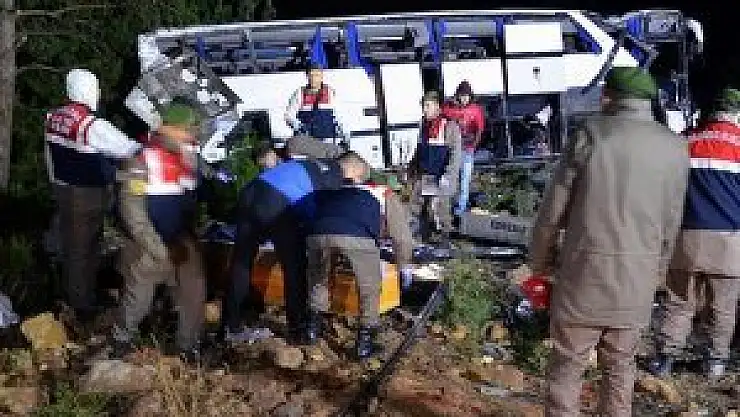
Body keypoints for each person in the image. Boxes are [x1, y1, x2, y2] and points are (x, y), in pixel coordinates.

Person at [528, 66, 689, 417]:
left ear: (610, 96)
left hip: (583, 274)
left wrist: (540, 263)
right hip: (636, 280)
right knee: (620, 369)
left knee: (567, 366)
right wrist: (657, 274)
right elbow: (671, 224)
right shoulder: (675, 147)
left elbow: (552, 211)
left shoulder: (591, 135)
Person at [649, 86, 740, 380]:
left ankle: (664, 359)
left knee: (679, 301)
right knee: (723, 306)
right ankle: (715, 363)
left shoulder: (685, 140)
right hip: (729, 241)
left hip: (686, 237)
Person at [222, 149, 349, 345]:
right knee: (294, 266)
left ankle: (231, 327)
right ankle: (297, 328)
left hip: (251, 191)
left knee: (242, 262)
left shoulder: (311, 163)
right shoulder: (335, 176)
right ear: (353, 171)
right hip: (278, 202)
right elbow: (318, 213)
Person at [44, 68, 142, 318]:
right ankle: (81, 304)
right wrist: (151, 141)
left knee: (75, 248)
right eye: (95, 88)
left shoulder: (53, 118)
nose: (98, 93)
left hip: (64, 191)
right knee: (85, 249)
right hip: (87, 194)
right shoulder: (90, 125)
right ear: (87, 90)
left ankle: (79, 297)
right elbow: (126, 149)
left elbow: (50, 158)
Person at [112, 102, 206, 359]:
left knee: (193, 288)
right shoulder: (140, 159)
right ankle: (122, 340)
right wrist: (154, 245)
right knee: (139, 294)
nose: (193, 135)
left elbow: (190, 199)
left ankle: (188, 346)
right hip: (148, 240)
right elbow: (131, 210)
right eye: (189, 129)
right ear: (170, 128)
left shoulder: (188, 157)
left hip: (180, 237)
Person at [305, 152, 414, 358]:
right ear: (363, 173)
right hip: (357, 237)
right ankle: (364, 343)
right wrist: (404, 265)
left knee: (318, 279)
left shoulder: (327, 191)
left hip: (317, 234)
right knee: (369, 287)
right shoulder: (382, 192)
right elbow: (401, 236)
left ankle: (312, 329)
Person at [407, 90, 462, 242]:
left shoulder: (449, 126)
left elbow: (456, 155)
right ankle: (423, 239)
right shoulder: (424, 126)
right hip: (428, 175)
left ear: (437, 106)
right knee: (421, 207)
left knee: (440, 209)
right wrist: (412, 167)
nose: (424, 110)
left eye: (428, 106)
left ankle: (445, 240)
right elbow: (420, 150)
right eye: (423, 106)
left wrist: (448, 176)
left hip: (442, 175)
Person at [441, 81, 485, 216]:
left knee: (465, 180)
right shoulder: (449, 109)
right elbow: (440, 118)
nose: (464, 98)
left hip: (467, 150)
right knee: (450, 179)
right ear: (458, 96)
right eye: (462, 96)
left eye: (466, 96)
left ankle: (460, 209)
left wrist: (474, 146)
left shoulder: (476, 110)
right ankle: (445, 207)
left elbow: (480, 129)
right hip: (453, 150)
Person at [284, 64, 350, 148]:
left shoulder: (330, 92)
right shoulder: (299, 93)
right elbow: (289, 115)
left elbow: (340, 116)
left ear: (322, 76)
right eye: (311, 75)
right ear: (307, 76)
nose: (313, 78)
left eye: (316, 75)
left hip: (328, 138)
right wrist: (299, 127)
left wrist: (345, 135)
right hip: (307, 140)